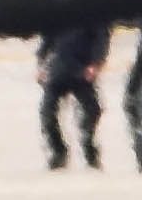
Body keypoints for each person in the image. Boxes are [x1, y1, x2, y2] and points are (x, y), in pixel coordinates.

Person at [34, 21, 107, 170]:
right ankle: (58, 152)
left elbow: (101, 40)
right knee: (47, 113)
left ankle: (89, 149)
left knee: (93, 111)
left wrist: (95, 64)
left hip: (82, 72)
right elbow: (46, 41)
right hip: (58, 71)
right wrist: (41, 65)